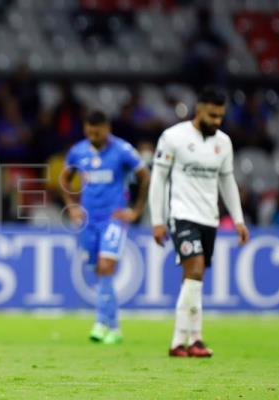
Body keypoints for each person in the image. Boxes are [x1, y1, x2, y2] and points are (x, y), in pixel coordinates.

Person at [148, 86, 249, 358]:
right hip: (181, 214)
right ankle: (184, 341)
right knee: (196, 266)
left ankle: (190, 339)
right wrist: (157, 220)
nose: (217, 121)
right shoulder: (173, 137)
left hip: (209, 218)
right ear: (199, 110)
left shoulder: (223, 142)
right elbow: (158, 180)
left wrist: (238, 219)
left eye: (220, 117)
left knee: (195, 276)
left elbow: (226, 181)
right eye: (212, 115)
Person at [61, 111, 150, 344]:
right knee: (98, 271)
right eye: (89, 131)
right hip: (89, 221)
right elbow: (64, 179)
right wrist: (72, 206)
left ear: (107, 128)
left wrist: (136, 210)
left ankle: (101, 323)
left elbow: (145, 176)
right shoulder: (78, 151)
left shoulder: (122, 150)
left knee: (105, 266)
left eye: (97, 131)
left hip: (114, 218)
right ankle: (115, 328)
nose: (93, 135)